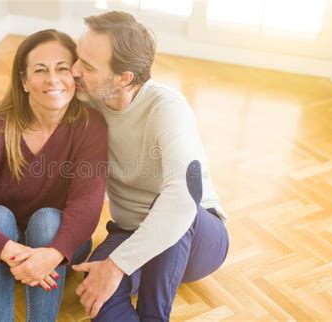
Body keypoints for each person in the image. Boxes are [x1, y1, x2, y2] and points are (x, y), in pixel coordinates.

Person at [70, 11, 229, 321]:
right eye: (78, 58)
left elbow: (184, 200)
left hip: (198, 237)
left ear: (124, 78)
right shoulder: (90, 99)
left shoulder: (167, 107)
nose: (75, 70)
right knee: (94, 290)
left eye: (87, 66)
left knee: (176, 199)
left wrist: (117, 265)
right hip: (130, 233)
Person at [0, 29, 108, 322]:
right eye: (40, 70)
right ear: (24, 80)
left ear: (75, 76)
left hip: (60, 243)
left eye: (62, 69)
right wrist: (7, 249)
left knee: (46, 219)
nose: (53, 80)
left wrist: (52, 255)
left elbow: (88, 206)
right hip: (2, 242)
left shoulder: (90, 125)